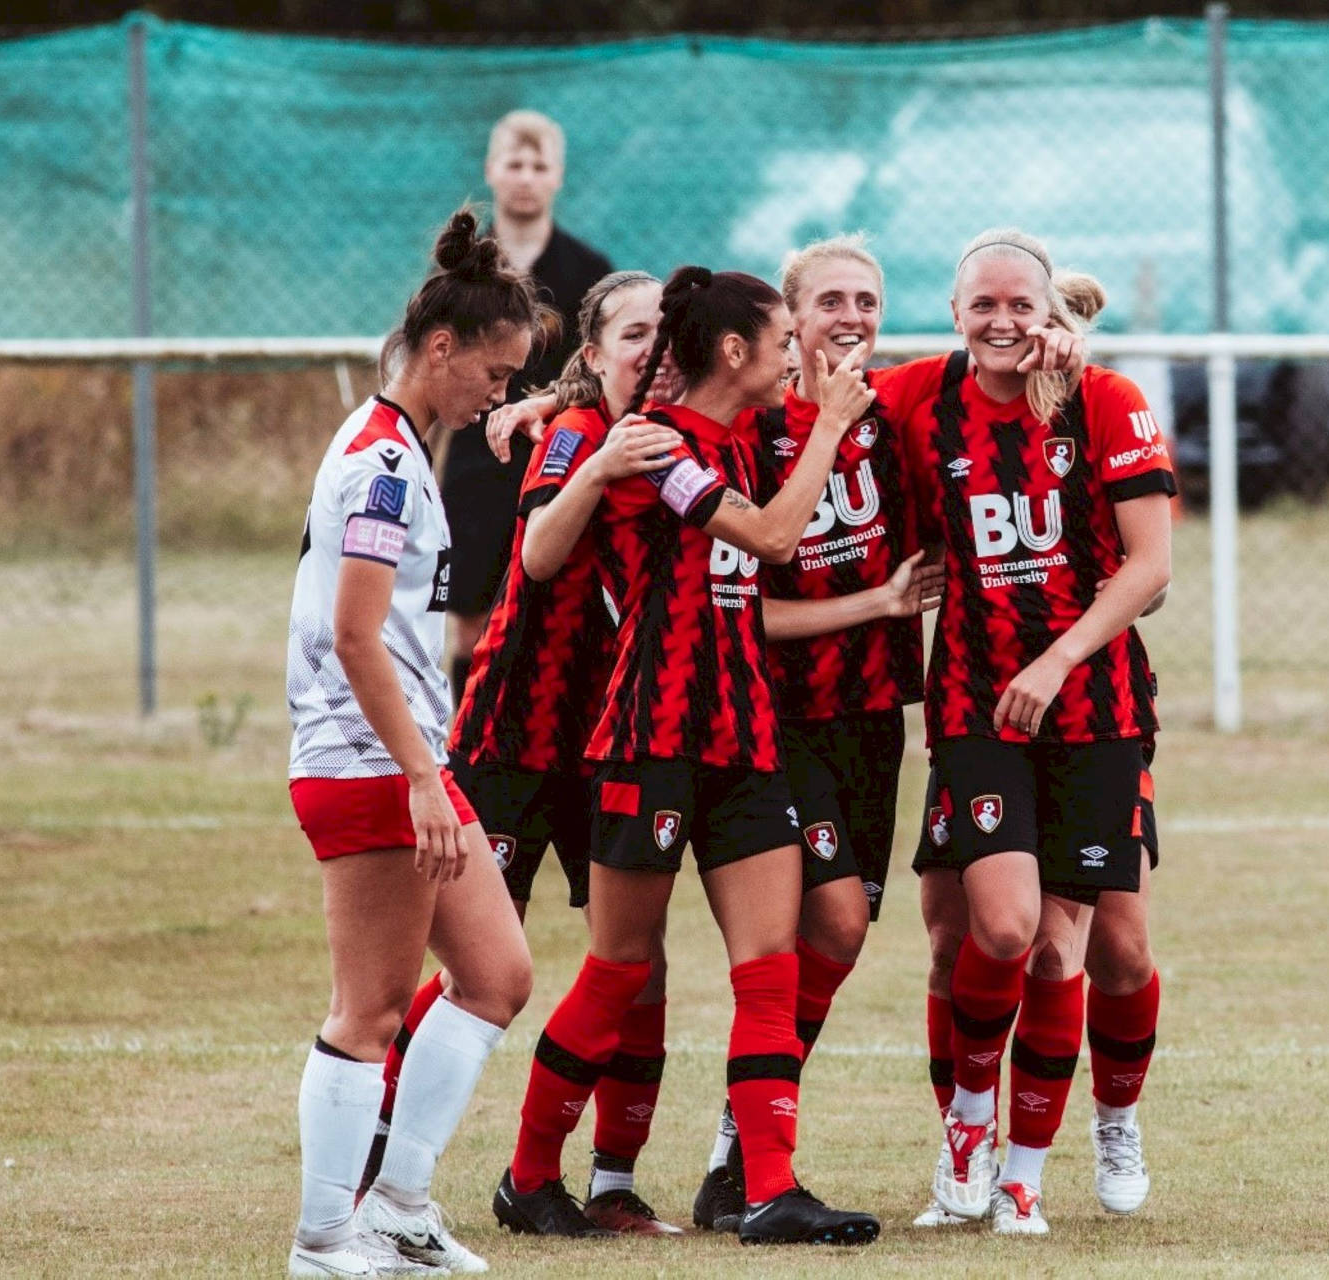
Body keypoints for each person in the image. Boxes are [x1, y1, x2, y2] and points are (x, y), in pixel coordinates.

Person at [684, 237, 1077, 1233]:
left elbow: (1011, 364)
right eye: (827, 301)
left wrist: (1065, 336)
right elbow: (734, 607)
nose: (849, 315)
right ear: (790, 315)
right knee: (833, 926)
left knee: (843, 933)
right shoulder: (758, 425)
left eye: (867, 298)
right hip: (775, 721)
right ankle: (745, 1157)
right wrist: (877, 599)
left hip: (874, 720)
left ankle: (743, 1147)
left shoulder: (901, 405)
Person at [493, 266, 885, 1247]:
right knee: (620, 968)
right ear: (736, 352)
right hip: (651, 735)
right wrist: (829, 427)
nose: (797, 357)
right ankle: (527, 1175)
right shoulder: (657, 446)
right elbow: (771, 535)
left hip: (743, 734)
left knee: (769, 963)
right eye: (781, 341)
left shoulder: (742, 431)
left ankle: (770, 1187)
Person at [363, 272, 690, 1235]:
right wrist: (583, 439)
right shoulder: (576, 438)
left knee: (639, 963)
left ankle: (612, 1179)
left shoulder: (692, 446)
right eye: (633, 333)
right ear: (592, 353)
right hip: (516, 734)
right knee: (479, 962)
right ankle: (372, 1146)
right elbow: (541, 553)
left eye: (665, 336)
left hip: (618, 740)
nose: (652, 350)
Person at [283, 209, 551, 1276]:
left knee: (495, 973)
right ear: (443, 347)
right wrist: (424, 780)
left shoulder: (394, 443)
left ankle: (397, 1203)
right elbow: (356, 637)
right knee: (371, 1010)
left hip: (404, 763)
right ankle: (321, 1240)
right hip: (369, 765)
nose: (500, 390)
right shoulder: (384, 467)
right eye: (496, 371)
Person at [901, 229, 1174, 1237]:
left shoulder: (1105, 402)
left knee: (1096, 951)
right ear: (956, 311)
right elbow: (801, 402)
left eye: (1022, 303)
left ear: (1050, 308)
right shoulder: (920, 400)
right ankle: (969, 1131)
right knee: (999, 929)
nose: (1003, 321)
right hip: (975, 706)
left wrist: (1056, 660)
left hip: (1094, 712)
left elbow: (1150, 567)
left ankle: (1079, 1140)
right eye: (984, 305)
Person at [440, 110, 614, 701]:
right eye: (514, 163)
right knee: (470, 627)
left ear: (557, 177)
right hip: (474, 464)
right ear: (492, 171)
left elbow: (605, 375)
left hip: (560, 463)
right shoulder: (465, 269)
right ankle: (464, 753)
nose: (525, 177)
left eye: (539, 165)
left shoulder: (588, 273)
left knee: (558, 626)